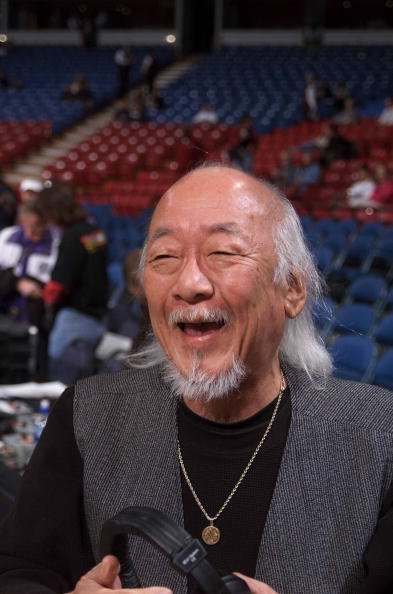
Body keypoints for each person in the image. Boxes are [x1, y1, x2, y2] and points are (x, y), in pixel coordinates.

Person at [0, 165, 392, 594]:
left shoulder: (380, 433)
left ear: (293, 290)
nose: (188, 283)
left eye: (223, 252)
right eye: (164, 258)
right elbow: (21, 572)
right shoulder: (84, 415)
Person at [35, 182, 109, 382]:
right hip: (97, 317)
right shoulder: (95, 232)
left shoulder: (71, 237)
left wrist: (42, 299)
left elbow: (58, 284)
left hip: (73, 320)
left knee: (60, 383)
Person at [0, 198, 59, 328]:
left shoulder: (56, 243)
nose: (36, 230)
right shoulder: (6, 237)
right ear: (22, 221)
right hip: (4, 312)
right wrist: (17, 283)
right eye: (31, 225)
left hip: (35, 317)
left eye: (40, 224)